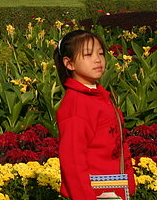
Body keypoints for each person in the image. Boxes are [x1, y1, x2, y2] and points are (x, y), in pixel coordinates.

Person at [54, 30, 136, 200]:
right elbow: (73, 162)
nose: (98, 59)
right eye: (88, 54)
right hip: (94, 193)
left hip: (114, 189)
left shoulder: (98, 95)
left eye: (100, 53)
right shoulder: (77, 105)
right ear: (69, 64)